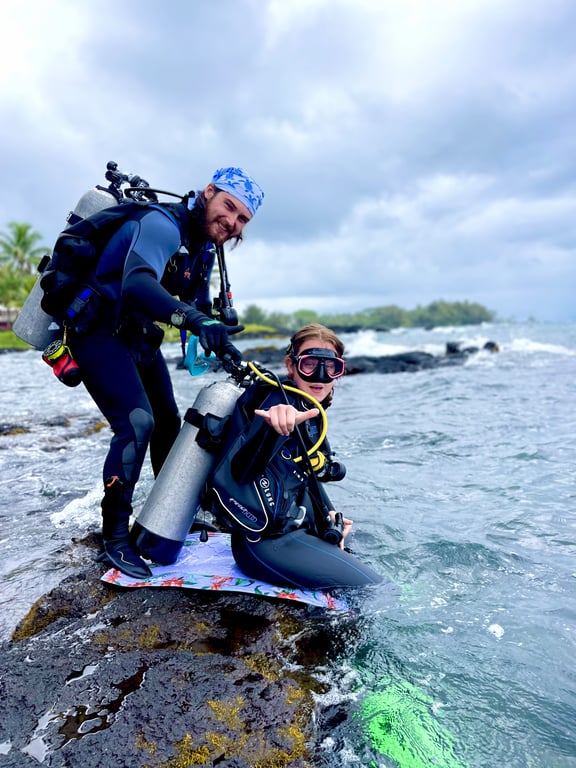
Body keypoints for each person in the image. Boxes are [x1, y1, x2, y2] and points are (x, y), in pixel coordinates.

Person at [66, 166, 264, 579]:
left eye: (243, 218)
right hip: (96, 332)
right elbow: (138, 283)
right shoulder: (161, 224)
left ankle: (166, 513)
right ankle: (116, 538)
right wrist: (194, 320)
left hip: (136, 336)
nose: (232, 222)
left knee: (169, 422)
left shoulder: (203, 247)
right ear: (209, 192)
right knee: (138, 423)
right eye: (228, 207)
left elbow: (198, 307)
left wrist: (218, 337)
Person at [206, 323, 382, 590]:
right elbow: (240, 471)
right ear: (291, 366)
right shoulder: (278, 402)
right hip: (264, 545)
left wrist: (329, 516)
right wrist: (272, 428)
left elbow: (306, 476)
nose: (321, 375)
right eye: (310, 364)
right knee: (374, 588)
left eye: (331, 366)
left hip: (286, 531)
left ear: (339, 371)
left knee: (361, 548)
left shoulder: (308, 411)